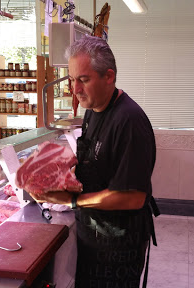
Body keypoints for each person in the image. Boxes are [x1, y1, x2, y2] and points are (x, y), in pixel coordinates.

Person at [29, 35, 159, 288]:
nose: (75, 89)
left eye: (84, 80)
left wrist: (72, 200)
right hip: (93, 232)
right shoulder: (93, 110)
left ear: (108, 77)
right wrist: (54, 174)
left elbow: (133, 197)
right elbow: (91, 159)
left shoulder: (129, 121)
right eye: (72, 79)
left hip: (119, 243)